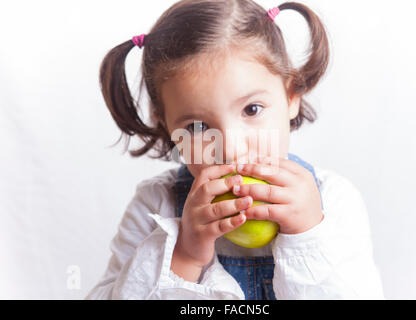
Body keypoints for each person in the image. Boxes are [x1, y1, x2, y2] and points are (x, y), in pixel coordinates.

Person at [85, 0, 384, 299]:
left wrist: (308, 237)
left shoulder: (332, 202)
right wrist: (185, 257)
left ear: (291, 96)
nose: (231, 148)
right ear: (168, 128)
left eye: (252, 109)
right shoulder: (154, 207)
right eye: (197, 127)